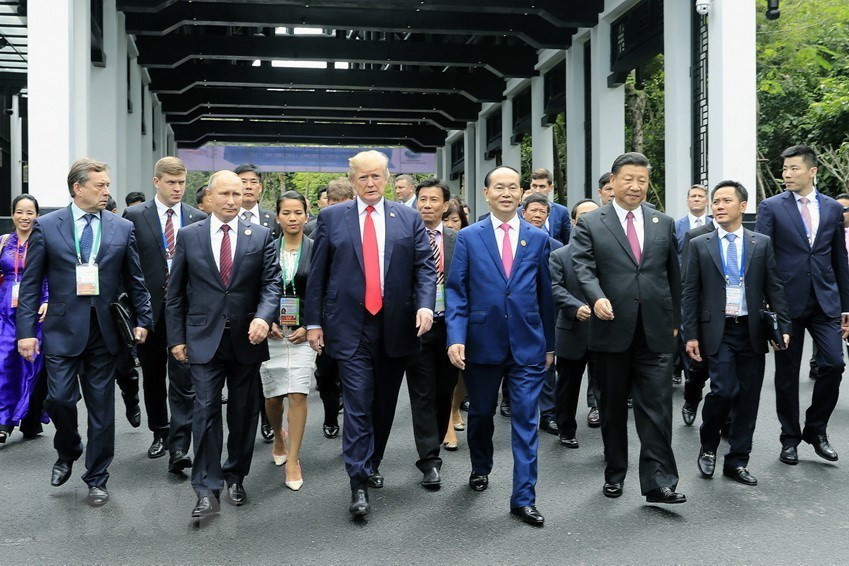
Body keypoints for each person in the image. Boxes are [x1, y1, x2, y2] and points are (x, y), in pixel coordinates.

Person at [304, 150, 435, 518]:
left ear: (388, 178)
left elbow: (424, 266)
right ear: (352, 180)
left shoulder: (408, 218)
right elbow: (318, 275)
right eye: (363, 178)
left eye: (377, 176)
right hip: (349, 325)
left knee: (383, 405)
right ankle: (357, 482)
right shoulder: (332, 218)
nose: (371, 183)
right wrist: (314, 323)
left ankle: (372, 460)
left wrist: (425, 304)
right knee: (358, 403)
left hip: (395, 325)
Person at [17, 158, 152, 507]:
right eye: (100, 185)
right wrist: (26, 331)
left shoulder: (121, 228)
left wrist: (143, 319)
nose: (107, 191)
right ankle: (69, 448)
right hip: (62, 329)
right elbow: (31, 284)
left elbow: (135, 280)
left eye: (107, 185)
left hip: (104, 332)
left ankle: (97, 477)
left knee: (102, 411)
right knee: (59, 399)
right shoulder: (48, 226)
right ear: (78, 188)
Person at [570, 152, 685, 504]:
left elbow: (673, 276)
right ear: (613, 183)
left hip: (655, 330)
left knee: (657, 408)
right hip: (611, 329)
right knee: (613, 408)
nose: (635, 186)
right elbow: (582, 267)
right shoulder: (592, 222)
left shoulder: (662, 222)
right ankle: (615, 472)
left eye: (642, 181)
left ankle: (658, 482)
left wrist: (677, 322)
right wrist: (596, 297)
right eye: (628, 179)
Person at [165, 170, 280, 519]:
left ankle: (236, 475)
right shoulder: (189, 236)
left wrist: (263, 316)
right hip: (202, 339)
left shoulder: (260, 236)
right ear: (210, 198)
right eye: (225, 194)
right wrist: (176, 339)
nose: (232, 200)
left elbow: (271, 284)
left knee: (243, 413)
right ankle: (205, 487)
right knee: (204, 411)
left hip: (247, 338)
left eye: (238, 193)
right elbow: (174, 295)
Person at [445, 165, 555, 527]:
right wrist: (456, 337)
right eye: (499, 187)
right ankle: (481, 465)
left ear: (522, 193)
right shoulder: (470, 237)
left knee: (526, 419)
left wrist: (550, 345)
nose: (506, 193)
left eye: (512, 187)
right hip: (482, 343)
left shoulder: (537, 238)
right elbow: (457, 292)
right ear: (486, 193)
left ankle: (524, 498)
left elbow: (545, 297)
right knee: (481, 415)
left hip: (527, 345)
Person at [684, 180, 791, 486]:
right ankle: (708, 446)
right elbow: (690, 292)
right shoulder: (699, 243)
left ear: (742, 207)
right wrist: (690, 334)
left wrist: (783, 327)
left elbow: (775, 287)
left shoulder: (761, 243)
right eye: (715, 201)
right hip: (717, 330)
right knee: (723, 391)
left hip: (751, 330)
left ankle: (738, 460)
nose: (718, 206)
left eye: (725, 201)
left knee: (748, 398)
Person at [755, 144, 849, 465]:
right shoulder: (771, 207)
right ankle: (789, 437)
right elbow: (762, 257)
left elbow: (839, 259)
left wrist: (846, 306)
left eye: (794, 168)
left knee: (835, 364)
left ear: (812, 171)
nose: (786, 175)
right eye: (784, 169)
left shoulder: (834, 210)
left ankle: (816, 429)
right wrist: (767, 304)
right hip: (785, 304)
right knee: (787, 374)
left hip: (825, 302)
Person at [123, 157, 206, 471]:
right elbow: (127, 266)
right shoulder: (133, 216)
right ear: (156, 182)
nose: (178, 188)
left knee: (184, 378)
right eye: (171, 182)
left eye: (182, 182)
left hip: (186, 312)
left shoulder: (197, 217)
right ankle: (159, 430)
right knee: (154, 376)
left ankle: (179, 444)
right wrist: (133, 312)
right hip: (150, 313)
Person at [260, 191, 316, 492]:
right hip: (271, 332)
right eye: (286, 213)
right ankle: (278, 438)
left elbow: (324, 290)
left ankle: (293, 458)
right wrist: (265, 319)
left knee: (298, 392)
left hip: (303, 332)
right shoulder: (266, 248)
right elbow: (257, 287)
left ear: (306, 214)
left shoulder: (318, 248)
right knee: (272, 396)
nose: (293, 218)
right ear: (277, 216)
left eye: (298, 212)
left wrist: (310, 325)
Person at [405, 178, 457, 489]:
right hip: (416, 327)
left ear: (445, 205)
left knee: (444, 390)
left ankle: (434, 439)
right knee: (422, 391)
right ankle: (429, 458)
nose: (427, 205)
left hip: (449, 326)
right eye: (422, 199)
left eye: (433, 200)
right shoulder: (405, 238)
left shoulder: (456, 239)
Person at [549, 198, 601, 449]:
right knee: (568, 386)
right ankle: (566, 428)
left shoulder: (610, 252)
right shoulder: (559, 254)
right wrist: (575, 307)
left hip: (606, 330)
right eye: (583, 217)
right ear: (573, 222)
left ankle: (606, 427)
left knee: (607, 385)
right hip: (572, 330)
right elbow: (554, 287)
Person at [234, 163, 280, 444]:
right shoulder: (220, 218)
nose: (248, 186)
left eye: (253, 181)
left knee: (265, 368)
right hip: (233, 309)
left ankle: (267, 419)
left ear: (260, 187)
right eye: (243, 181)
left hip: (263, 308)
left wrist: (270, 312)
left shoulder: (271, 221)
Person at [305, 177, 355, 437]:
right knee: (325, 374)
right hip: (327, 315)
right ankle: (329, 416)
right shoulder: (315, 231)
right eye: (333, 204)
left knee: (352, 372)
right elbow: (314, 278)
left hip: (353, 317)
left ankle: (351, 418)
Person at [0, 195, 48, 443]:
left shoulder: (43, 241)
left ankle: (29, 416)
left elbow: (51, 274)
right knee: (4, 361)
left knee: (31, 365)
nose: (24, 217)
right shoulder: (3, 241)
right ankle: (4, 419)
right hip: (5, 308)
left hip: (34, 309)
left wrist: (48, 299)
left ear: (37, 215)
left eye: (30, 212)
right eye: (19, 212)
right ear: (13, 214)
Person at [521, 192, 563, 436]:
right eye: (533, 210)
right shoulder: (512, 241)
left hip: (546, 313)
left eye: (542, 212)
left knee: (548, 365)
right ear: (523, 212)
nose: (537, 215)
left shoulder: (555, 247)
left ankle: (548, 413)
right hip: (517, 313)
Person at [441, 196, 470, 451]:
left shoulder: (468, 240)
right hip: (437, 314)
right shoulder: (432, 241)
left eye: (455, 219)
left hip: (463, 312)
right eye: (446, 219)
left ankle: (455, 406)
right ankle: (448, 421)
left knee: (463, 371)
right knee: (444, 371)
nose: (451, 224)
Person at [526, 168, 571, 244]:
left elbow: (567, 241)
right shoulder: (519, 212)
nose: (537, 190)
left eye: (542, 186)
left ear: (551, 188)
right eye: (534, 186)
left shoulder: (561, 211)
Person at [674, 185, 711, 254]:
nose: (696, 199)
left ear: (707, 202)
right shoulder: (676, 226)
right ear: (688, 201)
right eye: (693, 196)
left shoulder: (715, 225)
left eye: (700, 196)